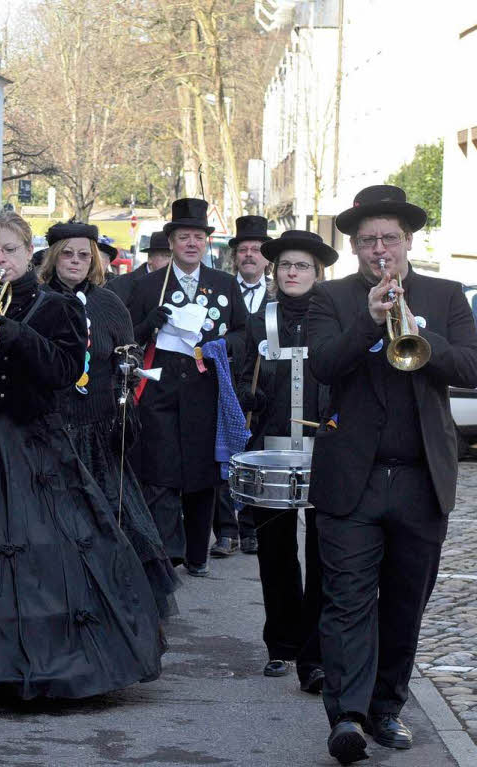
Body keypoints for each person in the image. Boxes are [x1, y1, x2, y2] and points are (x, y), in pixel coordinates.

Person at [0, 212, 168, 713]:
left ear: (28, 255)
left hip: (35, 441)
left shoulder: (57, 307)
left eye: (10, 252)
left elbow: (64, 371)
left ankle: (46, 664)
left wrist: (15, 333)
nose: (1, 261)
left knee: (44, 554)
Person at [308, 185, 477, 764]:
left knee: (405, 604)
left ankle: (386, 709)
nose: (380, 249)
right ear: (354, 247)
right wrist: (368, 320)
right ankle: (348, 718)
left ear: (408, 241)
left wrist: (419, 336)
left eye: (389, 238)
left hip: (421, 479)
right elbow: (324, 366)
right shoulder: (329, 298)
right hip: (351, 477)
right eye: (368, 240)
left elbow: (472, 367)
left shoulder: (447, 293)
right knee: (346, 601)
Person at [40, 220, 179, 618]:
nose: (76, 261)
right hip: (49, 434)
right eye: (67, 253)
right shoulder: (38, 300)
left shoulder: (109, 303)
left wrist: (128, 366)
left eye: (84, 254)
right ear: (53, 257)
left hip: (98, 434)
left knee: (107, 528)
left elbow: (127, 351)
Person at [123, 198, 247, 577]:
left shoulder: (224, 285)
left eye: (197, 237)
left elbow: (245, 332)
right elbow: (128, 336)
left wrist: (224, 346)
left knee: (201, 476)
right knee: (160, 474)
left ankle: (197, 553)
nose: (191, 243)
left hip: (205, 392)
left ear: (205, 243)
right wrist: (148, 324)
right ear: (172, 242)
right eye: (183, 237)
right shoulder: (147, 286)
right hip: (159, 393)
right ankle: (166, 555)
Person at [236, 229, 337, 693]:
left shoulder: (335, 319)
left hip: (328, 450)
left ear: (318, 273)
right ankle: (282, 646)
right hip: (272, 449)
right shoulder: (259, 320)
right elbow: (235, 376)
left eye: (303, 266)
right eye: (287, 266)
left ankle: (314, 656)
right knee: (275, 555)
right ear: (276, 272)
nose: (293, 273)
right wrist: (247, 395)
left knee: (323, 555)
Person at [211, 215, 272, 557]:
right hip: (222, 383)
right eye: (243, 249)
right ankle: (225, 530)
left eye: (256, 250)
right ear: (235, 256)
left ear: (266, 258)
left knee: (254, 456)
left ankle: (250, 526)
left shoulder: (277, 297)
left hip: (261, 391)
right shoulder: (218, 289)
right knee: (221, 455)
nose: (249, 255)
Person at [107, 230, 169, 307]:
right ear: (150, 258)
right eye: (166, 256)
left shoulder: (180, 284)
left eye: (175, 258)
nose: (170, 262)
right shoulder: (120, 286)